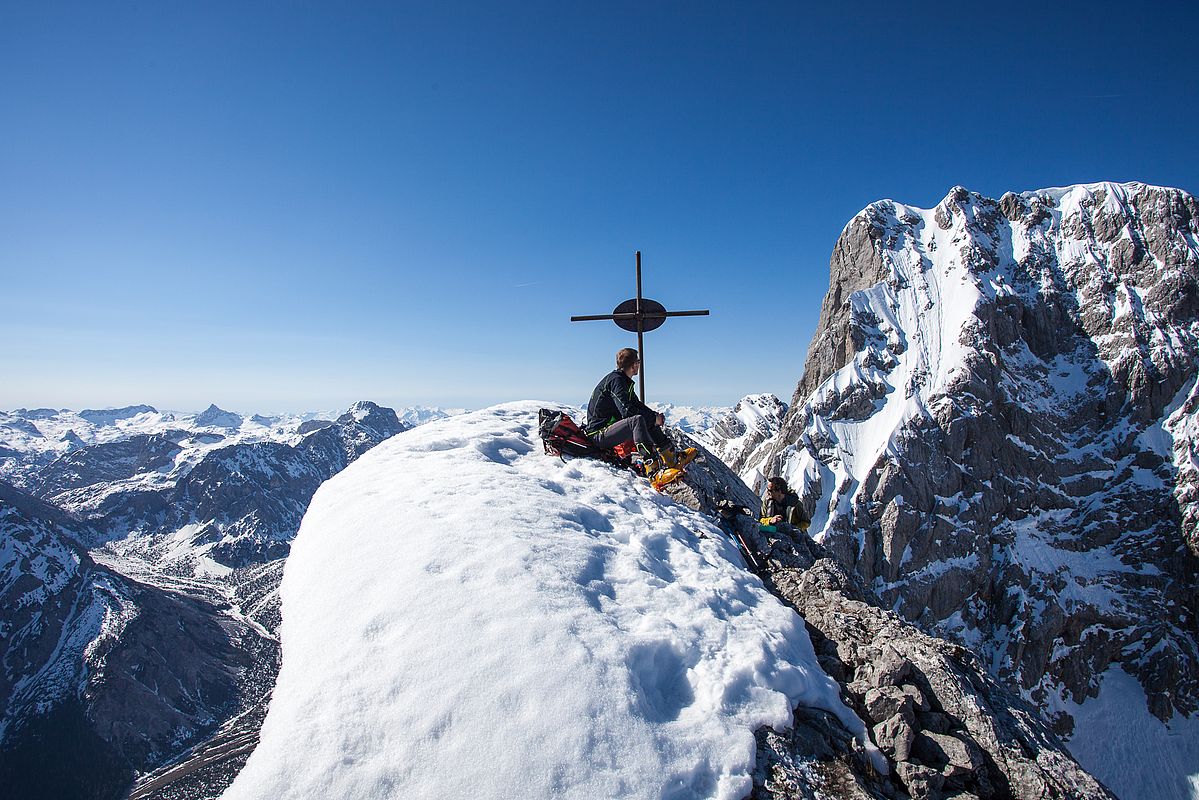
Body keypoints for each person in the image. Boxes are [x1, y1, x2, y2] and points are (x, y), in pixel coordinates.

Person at [584, 347, 694, 475]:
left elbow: (637, 405)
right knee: (637, 420)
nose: (639, 365)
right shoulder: (616, 381)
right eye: (638, 361)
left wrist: (654, 416)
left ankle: (671, 458)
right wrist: (653, 418)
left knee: (645, 417)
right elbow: (627, 411)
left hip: (606, 431)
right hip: (599, 435)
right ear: (634, 365)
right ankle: (653, 470)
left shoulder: (622, 380)